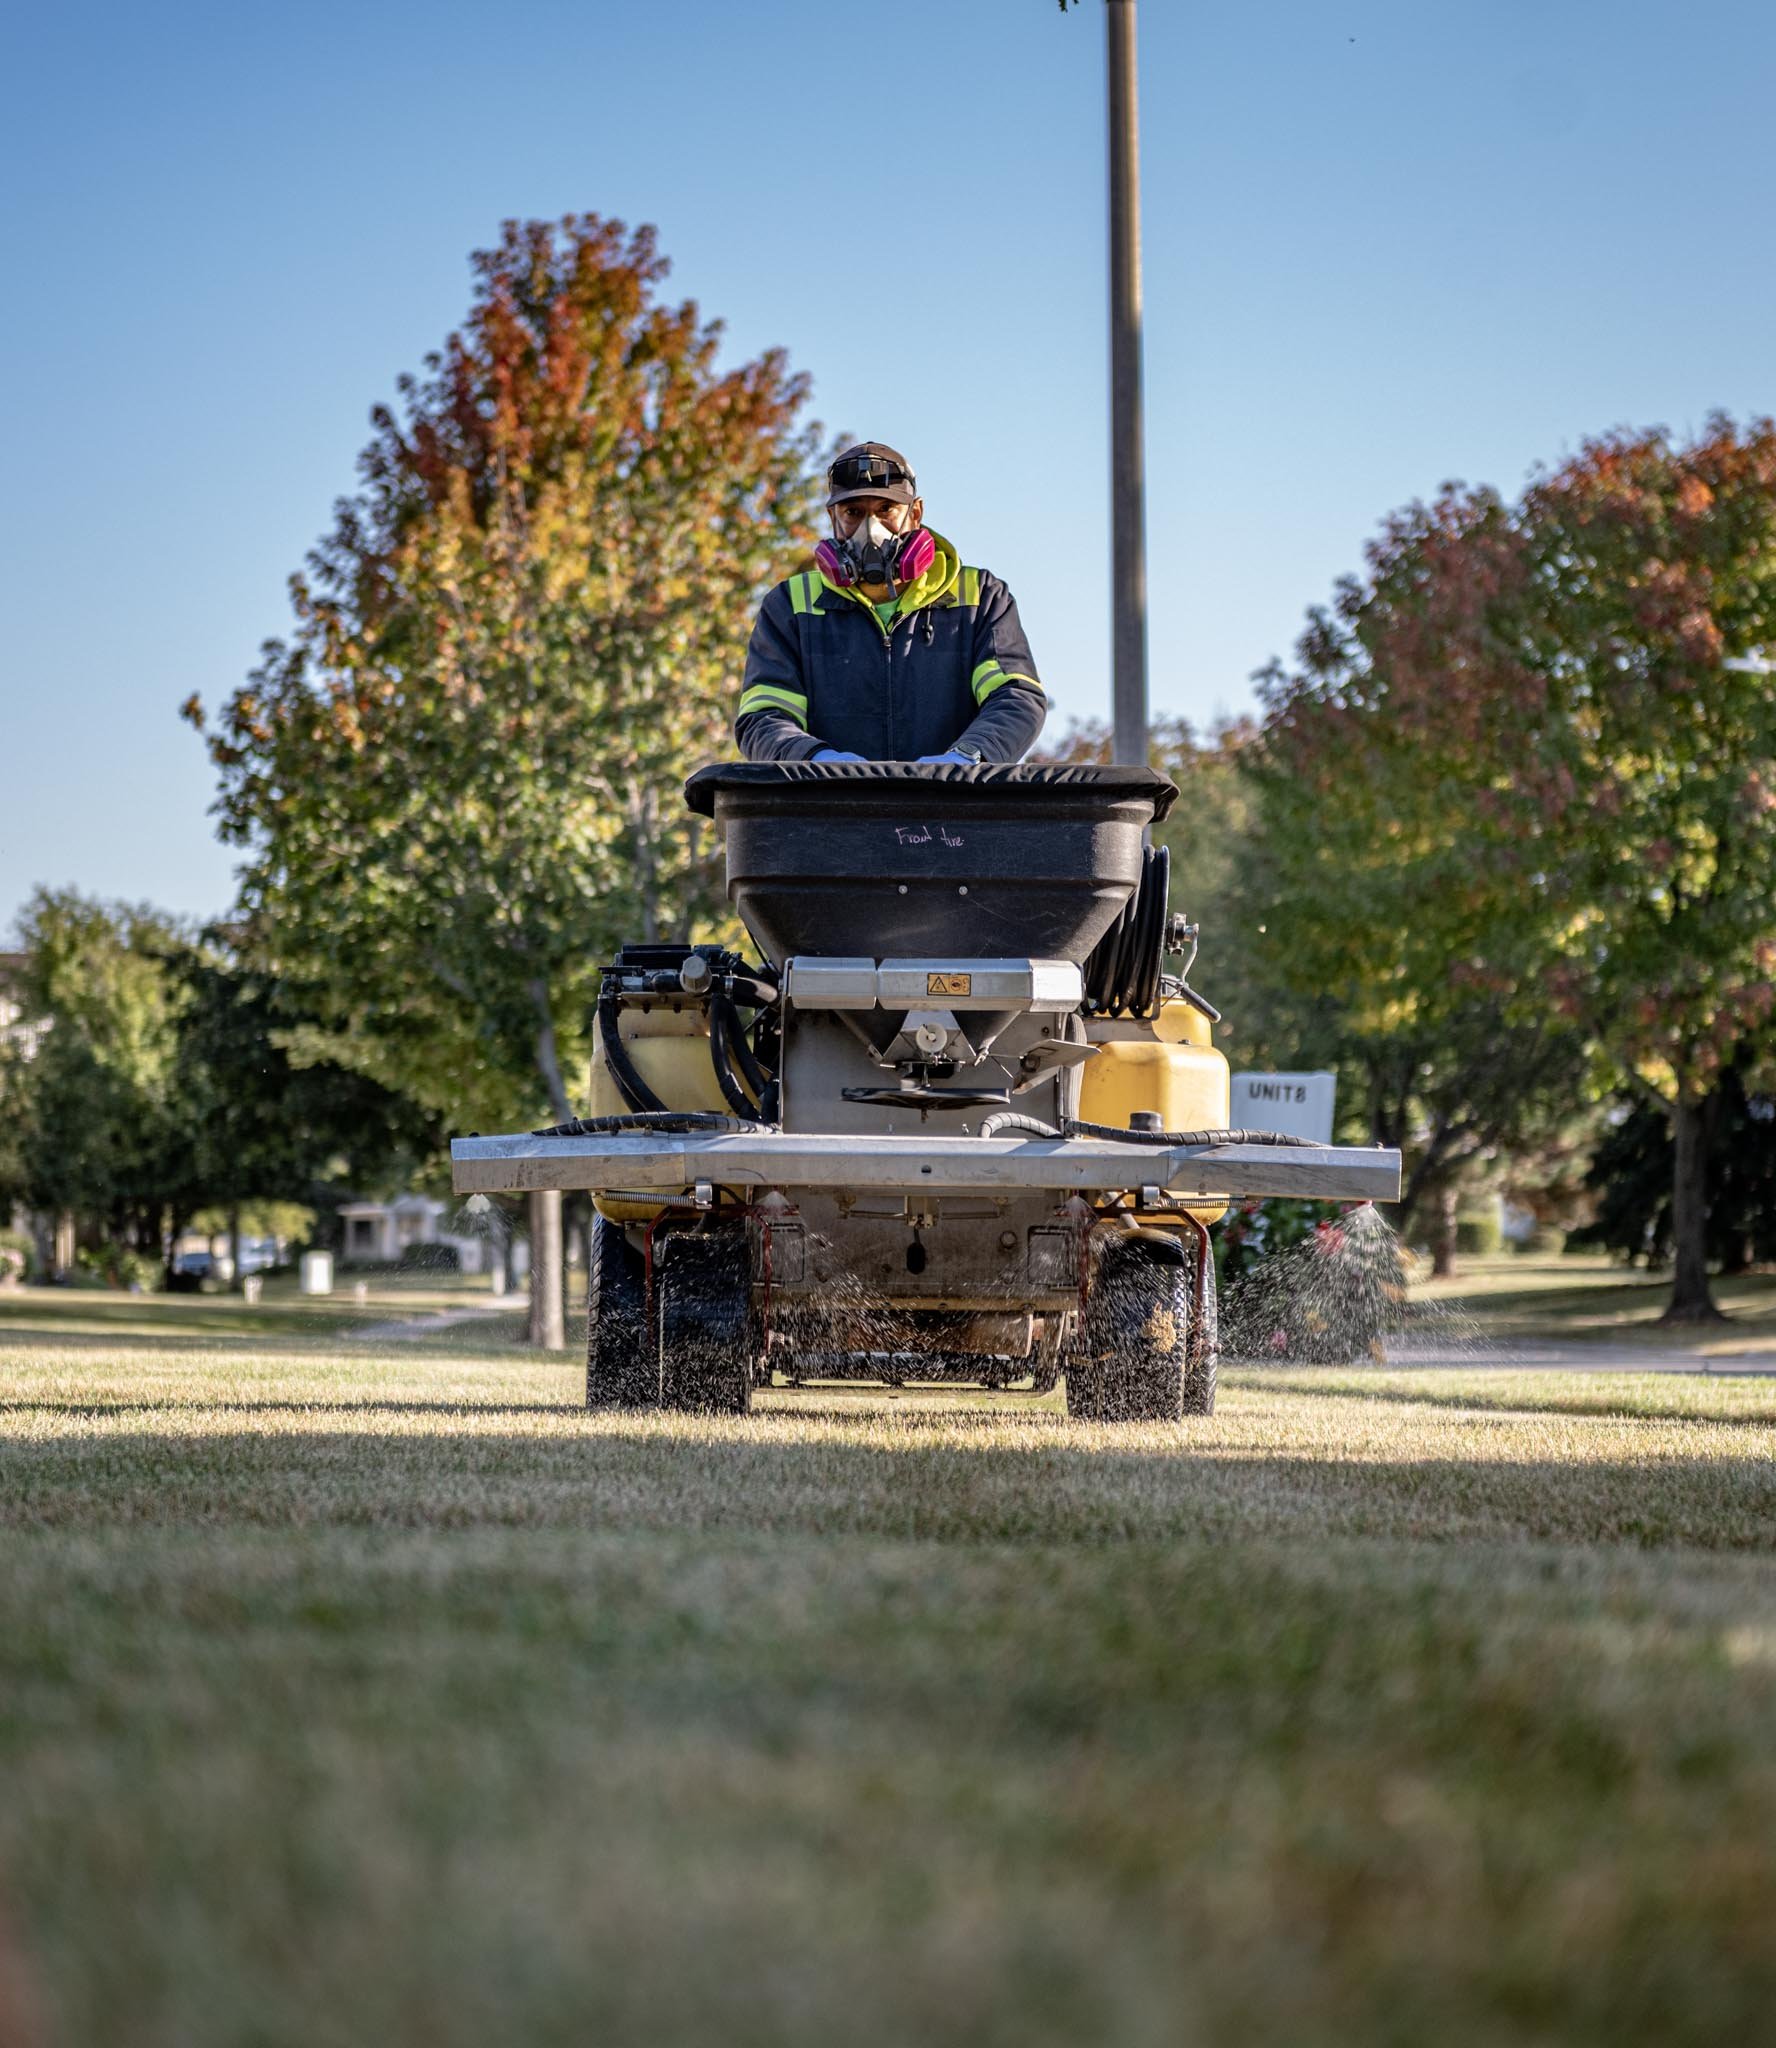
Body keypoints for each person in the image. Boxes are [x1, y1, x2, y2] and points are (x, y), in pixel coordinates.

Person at [734, 441, 1046, 765]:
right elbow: (763, 717)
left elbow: (1016, 698)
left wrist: (966, 761)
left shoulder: (981, 597)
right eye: (853, 512)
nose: (871, 529)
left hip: (955, 811)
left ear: (916, 513)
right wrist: (818, 762)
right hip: (829, 811)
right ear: (833, 517)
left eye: (886, 509)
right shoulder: (791, 606)